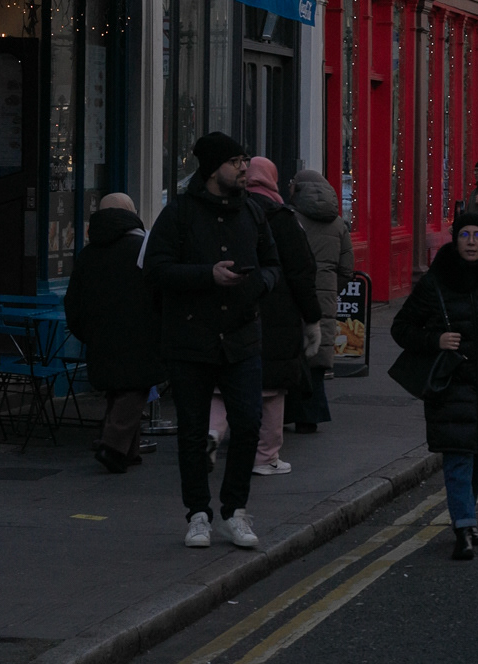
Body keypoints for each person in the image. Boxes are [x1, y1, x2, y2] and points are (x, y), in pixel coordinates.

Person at [147, 131, 279, 549]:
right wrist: (208, 275)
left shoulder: (254, 212)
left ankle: (234, 510)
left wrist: (260, 283)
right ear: (211, 168)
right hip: (190, 338)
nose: (244, 168)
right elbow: (156, 269)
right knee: (191, 431)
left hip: (241, 336)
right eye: (235, 161)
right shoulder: (179, 214)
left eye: (244, 160)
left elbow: (275, 263)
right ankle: (198, 514)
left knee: (247, 423)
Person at [389, 206, 478, 559]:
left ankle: (465, 515)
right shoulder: (436, 280)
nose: (471, 242)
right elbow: (401, 328)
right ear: (455, 240)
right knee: (458, 458)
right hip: (450, 385)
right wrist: (435, 340)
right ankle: (463, 527)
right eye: (465, 235)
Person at [64, 192, 162, 475]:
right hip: (140, 332)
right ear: (131, 212)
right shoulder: (144, 247)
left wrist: (85, 331)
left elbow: (73, 299)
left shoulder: (87, 253)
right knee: (135, 388)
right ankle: (113, 445)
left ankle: (128, 451)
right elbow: (159, 290)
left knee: (116, 389)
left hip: (100, 334)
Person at [237, 158, 319, 478]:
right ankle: (266, 455)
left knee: (232, 382)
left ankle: (215, 435)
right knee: (271, 391)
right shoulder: (282, 216)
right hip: (279, 313)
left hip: (238, 306)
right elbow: (301, 270)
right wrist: (312, 318)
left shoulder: (235, 210)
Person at [288, 168, 354, 430]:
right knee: (316, 356)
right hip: (324, 297)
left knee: (291, 353)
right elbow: (347, 269)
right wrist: (330, 290)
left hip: (293, 295)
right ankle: (310, 417)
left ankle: (284, 414)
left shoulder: (290, 219)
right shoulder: (338, 223)